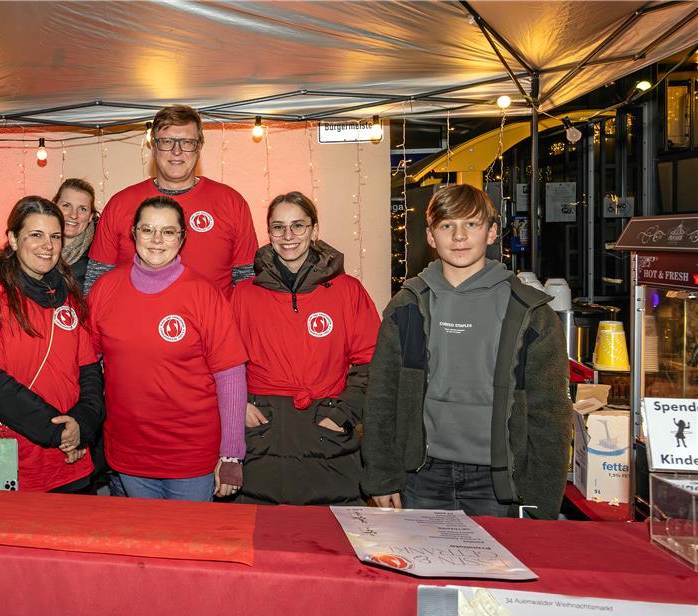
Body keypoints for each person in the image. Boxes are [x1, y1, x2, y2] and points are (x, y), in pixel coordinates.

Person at [361, 183, 572, 518]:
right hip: (421, 477)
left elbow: (550, 414)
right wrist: (381, 478)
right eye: (447, 226)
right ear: (431, 236)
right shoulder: (407, 306)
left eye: (471, 224)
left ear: (490, 232)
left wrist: (540, 500)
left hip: (500, 484)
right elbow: (382, 397)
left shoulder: (530, 312)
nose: (459, 237)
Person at [88, 196, 248, 501]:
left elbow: (230, 375)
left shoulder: (204, 294)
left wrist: (231, 455)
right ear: (133, 234)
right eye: (147, 230)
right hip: (129, 451)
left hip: (191, 454)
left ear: (182, 237)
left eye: (168, 231)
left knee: (190, 546)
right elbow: (87, 364)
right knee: (145, 543)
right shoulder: (105, 289)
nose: (157, 240)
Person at [232, 192, 379, 505]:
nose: (288, 236)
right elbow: (223, 363)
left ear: (314, 230)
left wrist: (344, 413)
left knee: (332, 541)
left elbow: (373, 363)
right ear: (268, 232)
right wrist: (238, 405)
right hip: (262, 435)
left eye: (298, 226)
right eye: (278, 227)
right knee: (260, 542)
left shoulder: (348, 291)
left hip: (326, 433)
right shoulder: (243, 295)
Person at [0, 196, 104, 493]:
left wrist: (82, 425)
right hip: (10, 461)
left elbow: (88, 370)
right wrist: (61, 432)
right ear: (12, 238)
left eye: (55, 236)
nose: (47, 245)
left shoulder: (69, 297)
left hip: (69, 461)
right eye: (36, 235)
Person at [84, 105, 257, 295]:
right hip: (137, 321)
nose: (177, 151)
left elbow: (247, 282)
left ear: (199, 147)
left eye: (187, 142)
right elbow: (97, 283)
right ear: (154, 146)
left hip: (212, 323)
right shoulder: (121, 203)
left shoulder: (231, 202)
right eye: (167, 141)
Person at [0, 178, 101, 284]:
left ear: (90, 216)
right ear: (54, 206)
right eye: (66, 205)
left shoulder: (98, 262)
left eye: (82, 209)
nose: (73, 215)